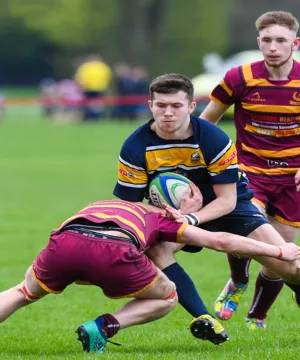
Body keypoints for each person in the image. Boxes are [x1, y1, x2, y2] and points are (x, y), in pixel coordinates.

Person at [113, 72, 300, 335]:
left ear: (191, 107)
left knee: (289, 265)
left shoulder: (213, 138)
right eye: (161, 105)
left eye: (176, 106)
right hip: (174, 214)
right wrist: (176, 214)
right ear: (150, 106)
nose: (168, 113)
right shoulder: (135, 147)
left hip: (228, 208)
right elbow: (130, 208)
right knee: (157, 251)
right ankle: (205, 318)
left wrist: (190, 218)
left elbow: (227, 200)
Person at [2, 200, 298, 354]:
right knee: (168, 295)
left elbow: (82, 252)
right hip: (115, 247)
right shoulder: (162, 218)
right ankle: (103, 327)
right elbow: (221, 240)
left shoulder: (105, 203)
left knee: (22, 292)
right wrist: (279, 251)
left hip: (64, 241)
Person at [200, 11, 300, 329]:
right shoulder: (239, 77)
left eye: (281, 40)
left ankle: (257, 315)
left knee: (281, 255)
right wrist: (209, 164)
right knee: (246, 231)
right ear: (258, 42)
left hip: (292, 180)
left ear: (294, 43)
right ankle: (237, 281)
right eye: (267, 40)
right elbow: (205, 123)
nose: (273, 47)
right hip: (249, 172)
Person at [75, 54, 112, 120]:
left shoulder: (86, 66)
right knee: (96, 104)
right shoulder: (102, 66)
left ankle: (91, 116)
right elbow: (108, 77)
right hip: (95, 88)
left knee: (91, 104)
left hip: (93, 88)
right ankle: (95, 116)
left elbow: (79, 77)